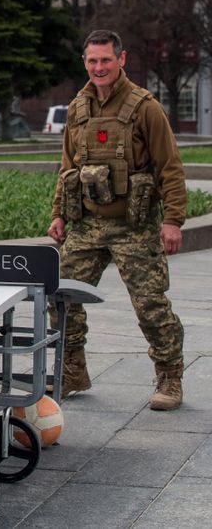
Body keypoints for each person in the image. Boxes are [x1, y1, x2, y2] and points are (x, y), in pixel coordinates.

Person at [48, 29, 187, 410]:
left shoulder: (145, 107)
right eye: (92, 61)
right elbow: (67, 166)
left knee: (150, 305)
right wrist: (58, 213)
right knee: (59, 296)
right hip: (88, 225)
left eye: (106, 60)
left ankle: (170, 377)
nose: (99, 67)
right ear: (85, 62)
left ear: (121, 60)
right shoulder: (78, 108)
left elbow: (170, 167)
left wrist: (172, 220)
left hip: (135, 226)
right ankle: (72, 369)